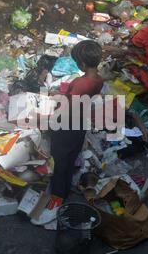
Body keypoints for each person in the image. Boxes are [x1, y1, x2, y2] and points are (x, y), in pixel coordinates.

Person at [31, 40, 104, 225]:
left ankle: (57, 197)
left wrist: (50, 117)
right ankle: (68, 184)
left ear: (81, 64)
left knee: (59, 161)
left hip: (66, 127)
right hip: (80, 125)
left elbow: (68, 109)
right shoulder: (99, 79)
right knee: (71, 157)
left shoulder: (80, 82)